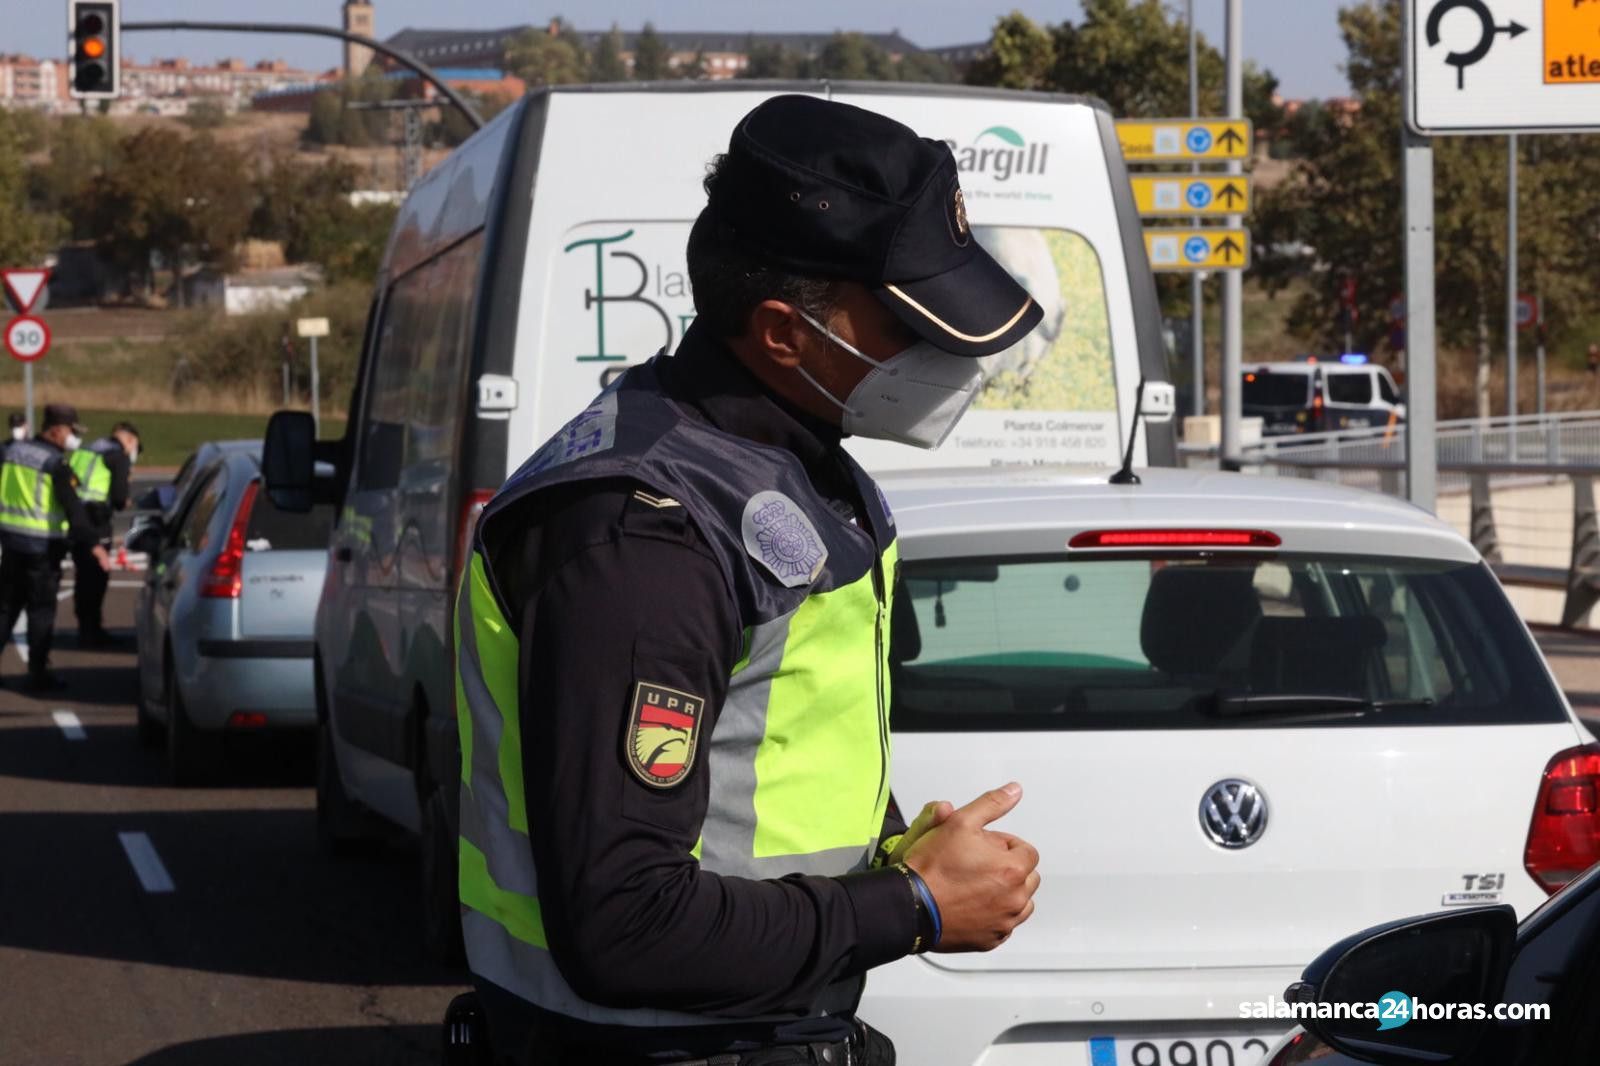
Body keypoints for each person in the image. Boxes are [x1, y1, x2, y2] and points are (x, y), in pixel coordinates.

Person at [454, 96, 1045, 1066]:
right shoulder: (643, 534)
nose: (950, 359)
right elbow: (625, 925)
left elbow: (761, 760)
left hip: (761, 1028)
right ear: (783, 333)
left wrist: (898, 853)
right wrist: (910, 904)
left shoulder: (797, 462)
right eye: (909, 326)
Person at [0, 404, 109, 690]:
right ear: (58, 430)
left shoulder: (11, 451)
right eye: (72, 431)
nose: (74, 437)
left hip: (10, 543)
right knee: (41, 610)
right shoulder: (54, 463)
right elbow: (74, 508)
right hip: (42, 549)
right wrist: (94, 545)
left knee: (6, 607)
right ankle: (37, 672)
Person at [68, 421, 139, 647]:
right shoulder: (118, 456)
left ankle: (84, 628)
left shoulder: (86, 449)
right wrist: (126, 498)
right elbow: (119, 499)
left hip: (76, 518)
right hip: (97, 519)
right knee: (97, 575)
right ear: (129, 440)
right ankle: (93, 631)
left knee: (82, 575)